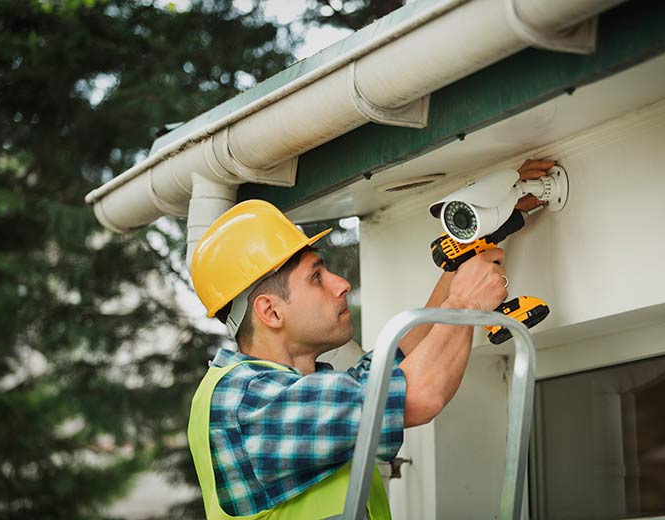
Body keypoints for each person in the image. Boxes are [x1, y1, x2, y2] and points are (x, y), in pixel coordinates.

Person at [187, 160, 554, 519]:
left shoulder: (286, 391)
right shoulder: (248, 401)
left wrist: (478, 229)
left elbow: (397, 363)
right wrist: (465, 304)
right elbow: (417, 394)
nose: (341, 284)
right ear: (271, 312)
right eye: (316, 277)